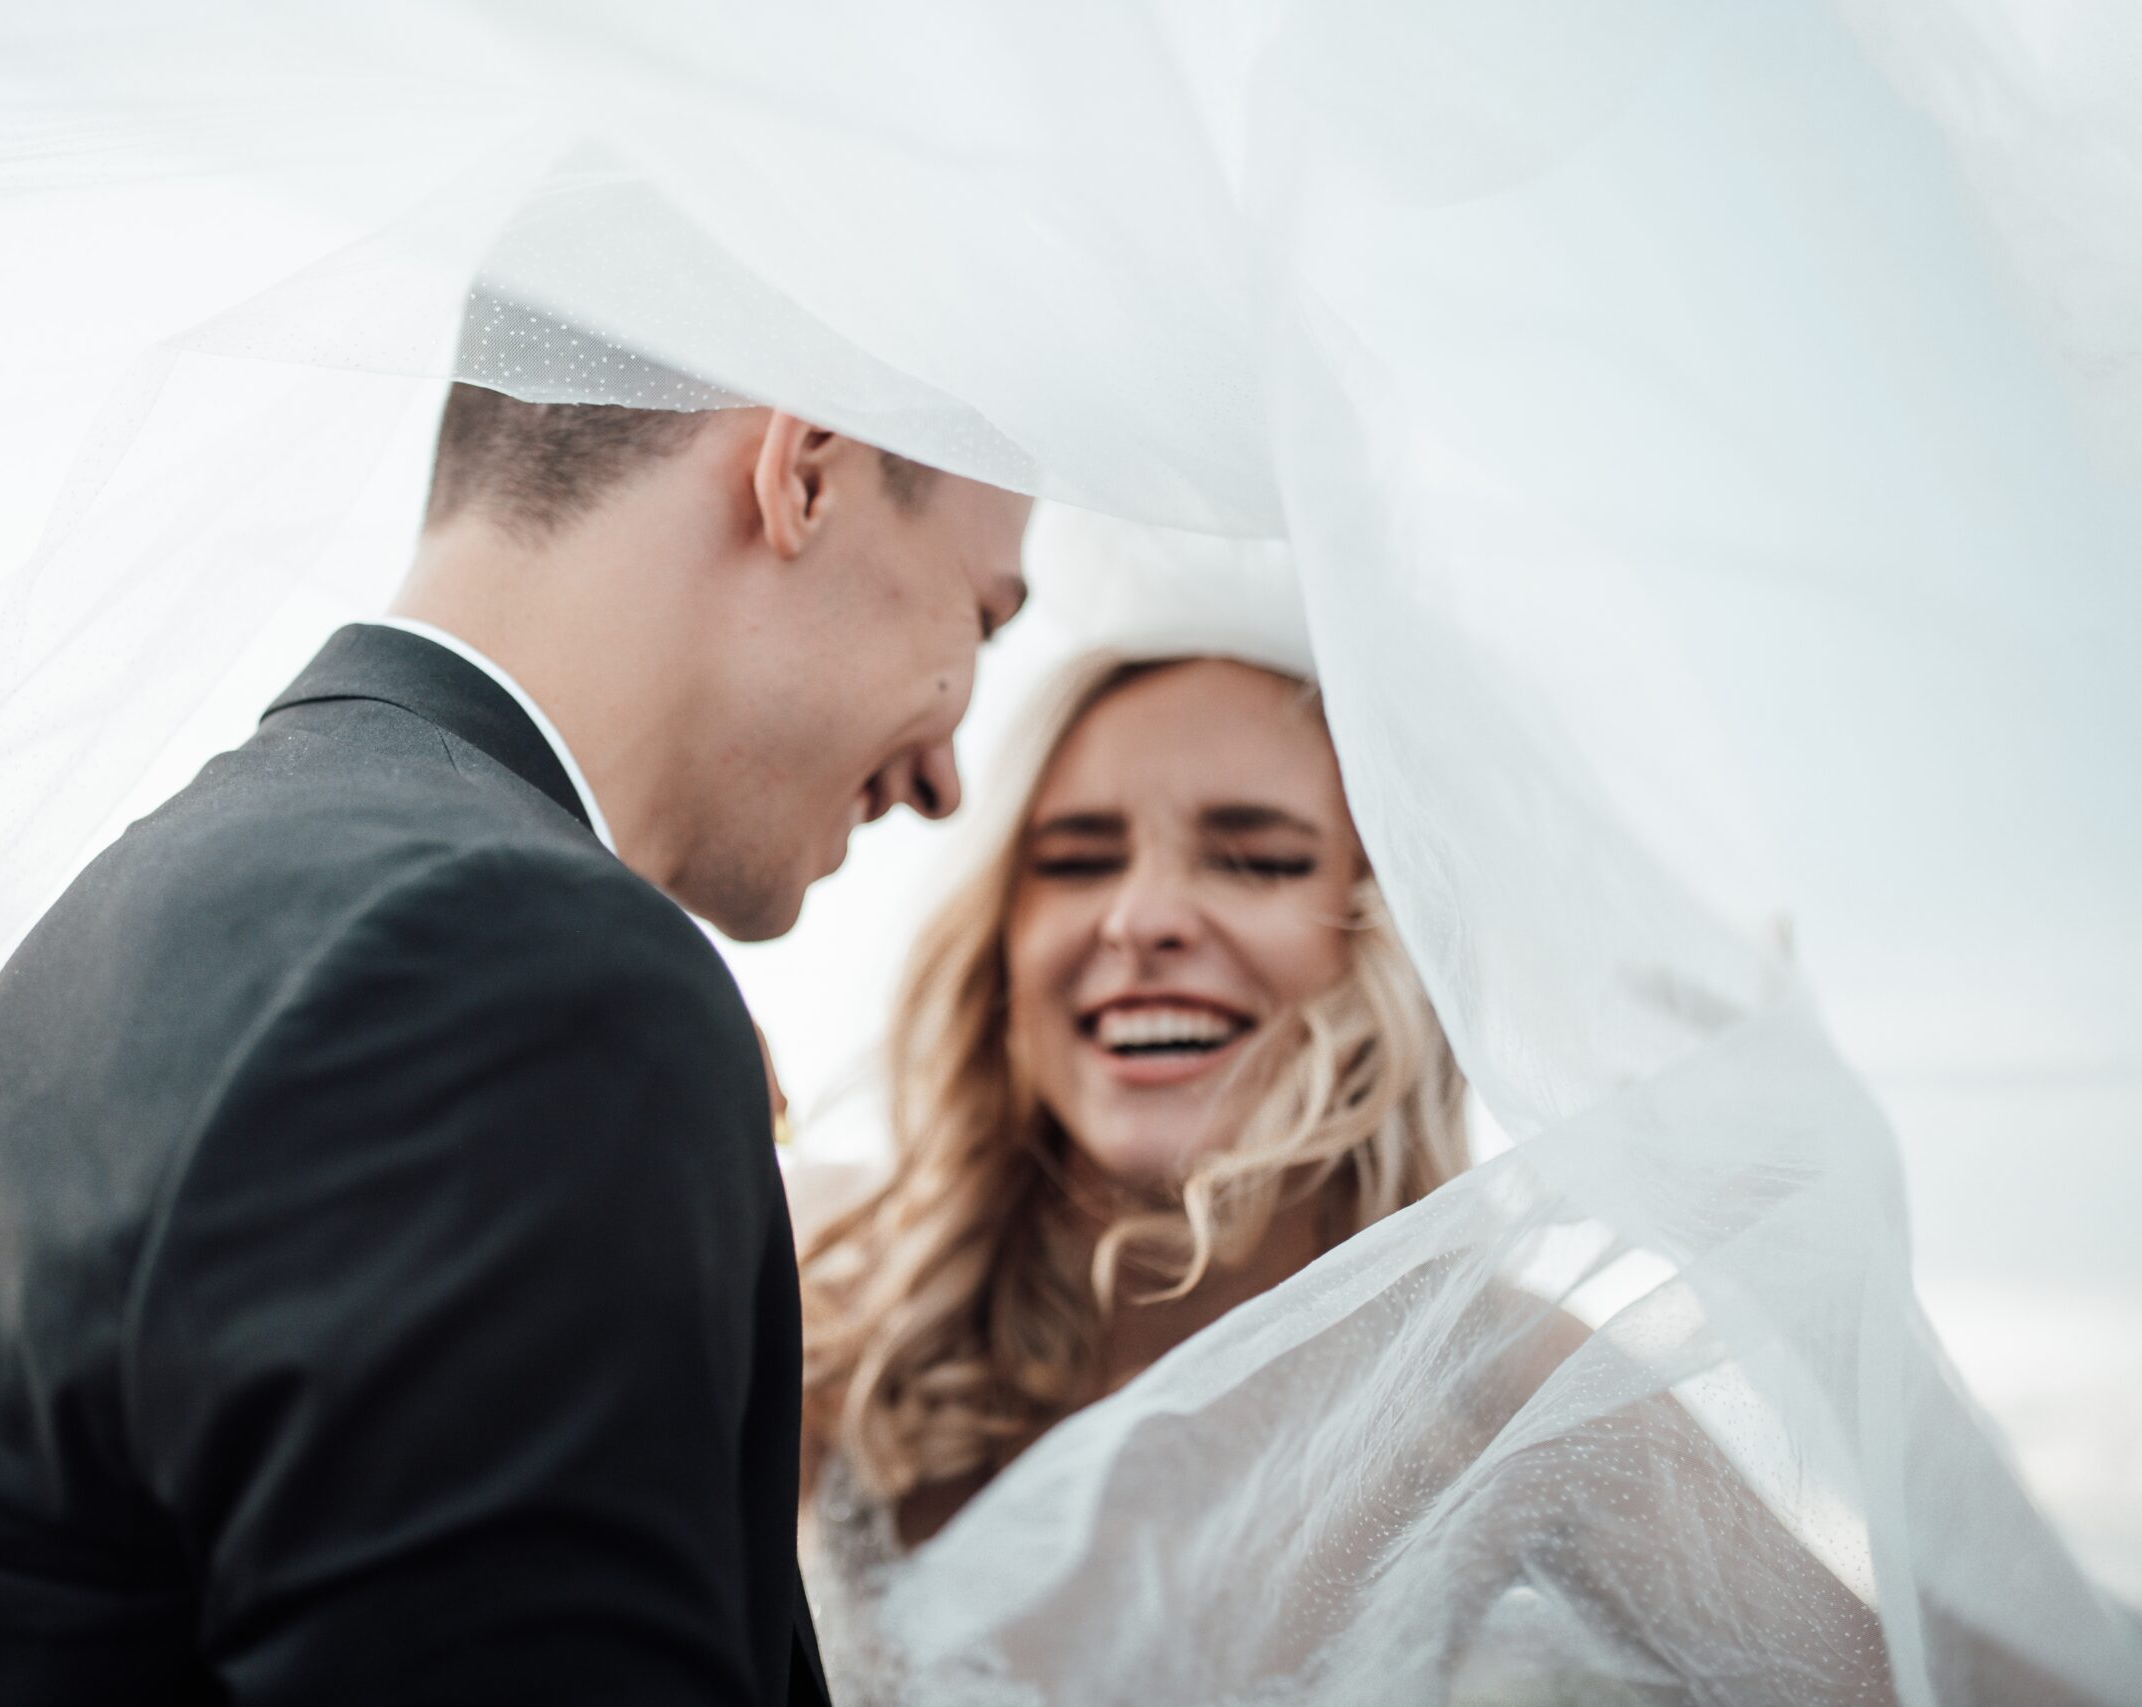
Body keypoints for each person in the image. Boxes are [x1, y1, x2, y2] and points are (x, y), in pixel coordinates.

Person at [0, 380, 1031, 1704]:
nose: (948, 776)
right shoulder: (520, 974)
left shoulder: (201, 883)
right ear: (806, 468)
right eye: (981, 614)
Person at [790, 650, 1938, 1705]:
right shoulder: (832, 1285)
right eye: (1076, 861)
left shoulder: (1498, 1383)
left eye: (1256, 859)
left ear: (1385, 940)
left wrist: (1836, 1292)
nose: (1138, 919)